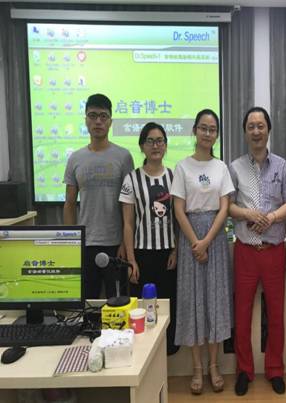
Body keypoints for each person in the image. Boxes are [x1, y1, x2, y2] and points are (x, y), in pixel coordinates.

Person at [229, 106, 286, 396]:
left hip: (274, 250)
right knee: (242, 314)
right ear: (245, 132)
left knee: (276, 314)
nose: (256, 131)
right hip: (245, 250)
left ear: (268, 130)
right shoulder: (235, 167)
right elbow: (228, 206)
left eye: (261, 126)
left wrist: (272, 217)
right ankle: (244, 371)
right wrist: (247, 213)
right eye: (251, 126)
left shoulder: (282, 166)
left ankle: (275, 369)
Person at [170, 109, 234, 395]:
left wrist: (206, 241)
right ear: (194, 131)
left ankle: (214, 367)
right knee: (193, 301)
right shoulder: (182, 167)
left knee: (215, 301)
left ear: (216, 134)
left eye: (212, 129)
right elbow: (178, 209)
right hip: (189, 239)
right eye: (203, 128)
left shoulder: (221, 167)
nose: (208, 133)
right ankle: (197, 368)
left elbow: (225, 207)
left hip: (215, 238)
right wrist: (196, 242)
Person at [63, 93, 134, 299]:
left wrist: (125, 243)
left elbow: (129, 205)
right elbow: (69, 204)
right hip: (86, 243)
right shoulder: (75, 158)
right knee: (87, 303)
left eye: (103, 116)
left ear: (110, 121)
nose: (98, 121)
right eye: (93, 116)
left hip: (116, 244)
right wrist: (72, 243)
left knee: (117, 304)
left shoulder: (124, 157)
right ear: (86, 120)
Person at [119, 122, 179, 355]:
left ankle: (166, 359)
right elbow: (128, 223)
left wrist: (176, 250)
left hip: (168, 256)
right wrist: (131, 260)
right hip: (141, 256)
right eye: (150, 141)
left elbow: (178, 218)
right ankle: (143, 357)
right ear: (142, 146)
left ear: (165, 145)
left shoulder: (174, 177)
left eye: (160, 141)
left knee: (167, 310)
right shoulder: (131, 179)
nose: (155, 146)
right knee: (142, 313)